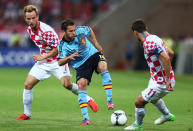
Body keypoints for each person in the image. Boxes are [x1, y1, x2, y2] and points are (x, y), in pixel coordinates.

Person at [15, 5, 98, 120]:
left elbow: (58, 49)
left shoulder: (46, 31)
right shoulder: (30, 30)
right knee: (27, 85)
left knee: (67, 85)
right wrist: (43, 57)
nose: (31, 21)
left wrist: (43, 56)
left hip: (57, 61)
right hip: (43, 62)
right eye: (28, 19)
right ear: (25, 19)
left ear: (37, 17)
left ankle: (88, 99)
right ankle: (26, 114)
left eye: (33, 18)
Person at [58, 19, 115, 125]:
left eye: (74, 30)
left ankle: (109, 100)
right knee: (81, 84)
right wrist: (69, 57)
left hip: (92, 54)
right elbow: (60, 62)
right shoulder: (62, 45)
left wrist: (96, 43)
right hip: (81, 64)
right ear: (64, 32)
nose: (74, 33)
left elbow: (89, 30)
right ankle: (86, 118)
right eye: (70, 31)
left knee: (103, 66)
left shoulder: (80, 30)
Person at [124, 19, 175, 130]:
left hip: (162, 82)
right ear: (146, 28)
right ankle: (167, 115)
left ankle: (138, 125)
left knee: (139, 102)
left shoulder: (149, 43)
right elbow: (170, 53)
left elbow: (166, 57)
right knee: (153, 99)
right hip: (157, 78)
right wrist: (164, 70)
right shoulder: (155, 38)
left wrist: (167, 78)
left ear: (135, 32)